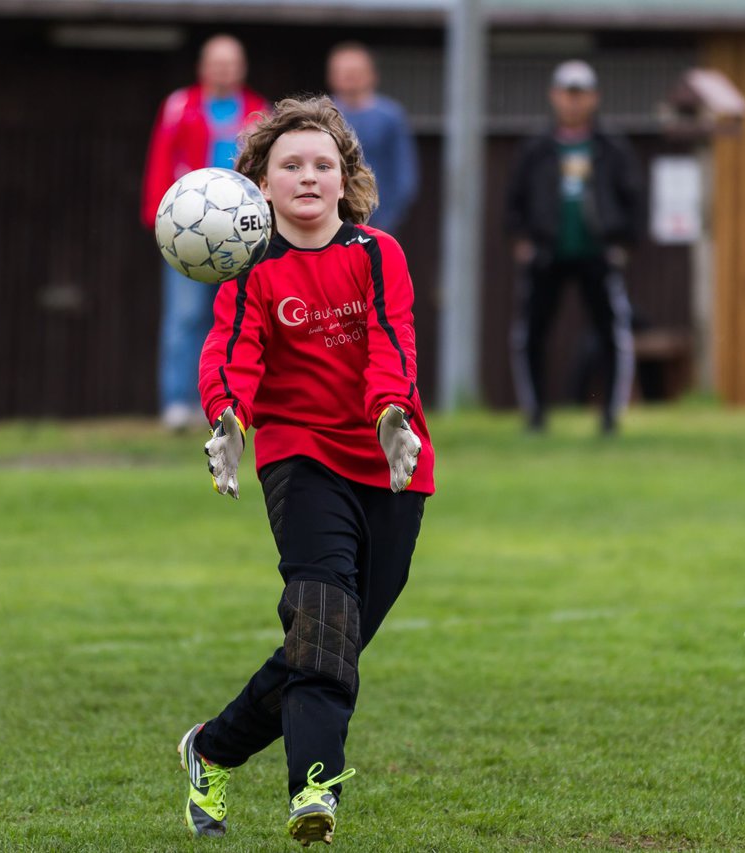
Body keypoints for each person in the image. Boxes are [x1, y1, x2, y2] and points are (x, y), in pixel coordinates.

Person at [177, 96, 434, 847]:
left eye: (324, 163)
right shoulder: (249, 267)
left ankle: (213, 746)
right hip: (301, 457)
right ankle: (313, 789)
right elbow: (233, 351)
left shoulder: (379, 253)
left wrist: (392, 412)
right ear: (260, 182)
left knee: (332, 639)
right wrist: (228, 416)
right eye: (291, 164)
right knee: (323, 621)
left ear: (346, 177)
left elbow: (394, 341)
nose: (309, 176)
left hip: (392, 461)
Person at [141, 34, 270, 431]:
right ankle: (178, 402)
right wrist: (158, 218)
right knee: (185, 315)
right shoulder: (180, 105)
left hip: (240, 233)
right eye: (217, 62)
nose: (224, 70)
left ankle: (234, 402)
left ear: (242, 68)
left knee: (241, 317)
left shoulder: (258, 111)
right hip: (190, 232)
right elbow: (162, 158)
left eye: (231, 62)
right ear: (203, 67)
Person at [505, 59, 642, 434]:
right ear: (554, 96)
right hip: (546, 253)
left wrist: (622, 241)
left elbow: (632, 197)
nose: (573, 102)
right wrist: (522, 239)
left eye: (581, 94)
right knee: (531, 333)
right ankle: (535, 414)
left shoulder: (611, 146)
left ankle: (610, 415)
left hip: (598, 253)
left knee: (612, 332)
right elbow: (514, 198)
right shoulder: (537, 147)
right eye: (567, 94)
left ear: (594, 98)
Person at [327, 42, 418, 233]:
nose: (350, 78)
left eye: (356, 72)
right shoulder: (323, 115)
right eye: (343, 72)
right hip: (330, 220)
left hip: (379, 220)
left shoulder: (390, 116)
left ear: (372, 75)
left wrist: (388, 218)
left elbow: (404, 174)